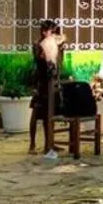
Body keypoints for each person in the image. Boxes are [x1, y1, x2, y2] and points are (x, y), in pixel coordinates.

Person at [30, 20, 67, 156]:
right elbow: (40, 62)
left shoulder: (54, 44)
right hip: (42, 83)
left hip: (53, 82)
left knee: (49, 115)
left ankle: (49, 143)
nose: (54, 34)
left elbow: (59, 63)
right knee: (36, 113)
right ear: (45, 31)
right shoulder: (38, 45)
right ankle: (32, 145)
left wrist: (61, 49)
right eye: (52, 31)